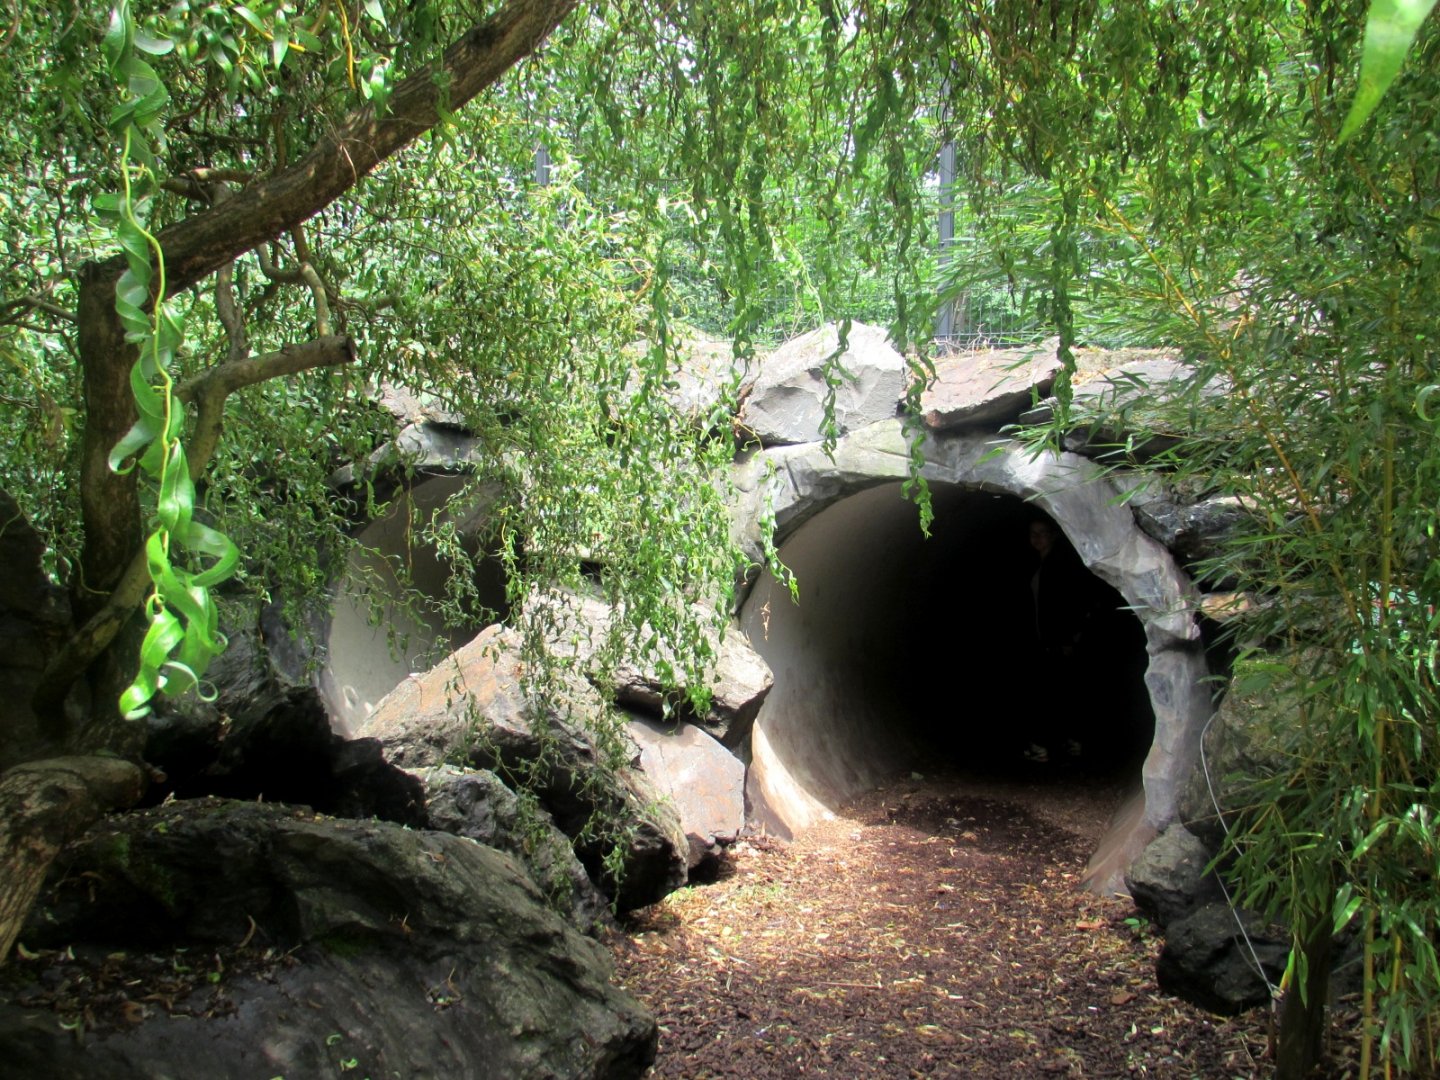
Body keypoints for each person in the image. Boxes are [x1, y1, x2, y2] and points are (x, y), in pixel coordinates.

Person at [1021, 518, 1100, 763]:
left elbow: (1071, 603)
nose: (1037, 538)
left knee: (1053, 692)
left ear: (1054, 535)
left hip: (1060, 642)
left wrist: (1069, 638)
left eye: (1042, 533)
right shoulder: (1045, 563)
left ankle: (1046, 744)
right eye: (1033, 533)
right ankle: (1071, 742)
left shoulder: (1061, 563)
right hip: (1053, 640)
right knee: (1062, 691)